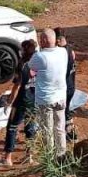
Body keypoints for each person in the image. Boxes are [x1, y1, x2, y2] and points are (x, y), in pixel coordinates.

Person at [28, 29, 69, 158]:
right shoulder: (63, 52)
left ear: (45, 41)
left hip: (46, 100)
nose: (39, 42)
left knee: (47, 132)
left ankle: (50, 159)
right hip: (61, 97)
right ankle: (61, 155)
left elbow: (31, 67)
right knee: (59, 129)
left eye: (40, 39)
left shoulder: (40, 56)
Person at [0, 39, 37, 167]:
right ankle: (29, 157)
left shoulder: (22, 65)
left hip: (21, 101)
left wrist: (9, 101)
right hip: (34, 100)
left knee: (12, 127)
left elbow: (17, 86)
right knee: (30, 128)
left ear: (25, 50)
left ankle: (8, 158)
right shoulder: (39, 63)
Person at [56, 29, 78, 139]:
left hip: (63, 88)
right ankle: (71, 133)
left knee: (61, 112)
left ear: (59, 40)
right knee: (67, 109)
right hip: (71, 86)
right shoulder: (70, 50)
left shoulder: (61, 54)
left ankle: (66, 134)